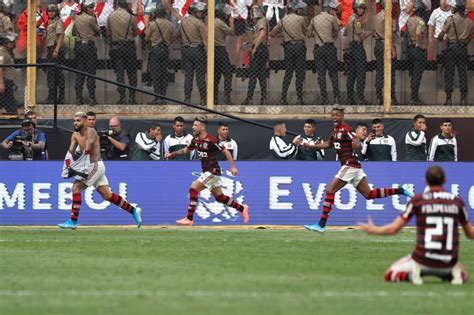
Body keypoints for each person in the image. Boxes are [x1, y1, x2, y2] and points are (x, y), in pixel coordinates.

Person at [303, 108, 413, 233]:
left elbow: (356, 141)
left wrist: (357, 144)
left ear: (342, 116)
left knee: (330, 190)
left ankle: (321, 224)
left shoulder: (346, 129)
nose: (334, 117)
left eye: (337, 115)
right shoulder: (336, 131)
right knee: (369, 194)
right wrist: (311, 146)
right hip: (355, 166)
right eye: (332, 115)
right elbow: (329, 144)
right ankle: (401, 190)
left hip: (350, 165)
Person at [359, 165, 473, 285]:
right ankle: (456, 274)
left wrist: (374, 229)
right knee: (462, 272)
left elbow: (393, 229)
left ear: (425, 181)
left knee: (390, 273)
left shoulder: (418, 200)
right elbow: (470, 234)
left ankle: (411, 274)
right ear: (445, 180)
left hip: (422, 260)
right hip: (448, 262)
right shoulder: (457, 202)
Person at [58, 112, 142, 229]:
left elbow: (87, 149)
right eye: (74, 120)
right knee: (107, 196)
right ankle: (133, 210)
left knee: (76, 188)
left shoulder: (91, 131)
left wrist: (76, 168)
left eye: (78, 120)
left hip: (95, 165)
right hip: (90, 167)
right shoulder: (74, 135)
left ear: (85, 120)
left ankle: (73, 221)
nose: (75, 123)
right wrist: (67, 165)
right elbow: (70, 152)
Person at [164, 117, 250, 226]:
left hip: (213, 172)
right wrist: (172, 154)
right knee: (220, 197)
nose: (193, 127)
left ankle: (189, 218)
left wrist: (232, 167)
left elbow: (226, 152)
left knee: (193, 189)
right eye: (193, 125)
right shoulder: (195, 140)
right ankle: (242, 208)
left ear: (202, 126)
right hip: (207, 173)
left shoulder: (212, 140)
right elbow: (185, 150)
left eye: (195, 125)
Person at [269, 1, 307, 105]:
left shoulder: (283, 20)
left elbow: (272, 34)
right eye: (299, 9)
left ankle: (283, 98)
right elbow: (306, 32)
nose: (300, 10)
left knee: (288, 73)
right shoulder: (301, 19)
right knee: (300, 73)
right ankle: (299, 99)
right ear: (296, 10)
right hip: (299, 46)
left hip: (288, 47)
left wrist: (283, 35)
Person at [437, 0, 472, 106]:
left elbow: (441, 35)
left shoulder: (450, 19)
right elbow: (470, 37)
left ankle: (448, 99)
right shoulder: (469, 22)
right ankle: (463, 98)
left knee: (449, 74)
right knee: (462, 74)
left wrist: (444, 40)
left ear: (456, 9)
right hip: (462, 49)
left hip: (451, 49)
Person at [307, 0, 341, 105]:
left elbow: (308, 33)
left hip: (318, 49)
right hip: (329, 48)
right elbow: (337, 31)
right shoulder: (331, 18)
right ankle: (336, 97)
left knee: (321, 74)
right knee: (333, 74)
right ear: (330, 9)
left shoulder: (314, 19)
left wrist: (317, 35)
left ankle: (324, 98)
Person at [107, 0, 138, 104]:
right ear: (126, 5)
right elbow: (135, 32)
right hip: (129, 47)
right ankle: (132, 97)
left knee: (119, 74)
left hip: (116, 47)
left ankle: (122, 97)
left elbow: (108, 32)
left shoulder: (111, 16)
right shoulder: (131, 17)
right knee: (132, 73)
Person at [145, 3, 175, 105]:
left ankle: (157, 97)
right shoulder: (170, 24)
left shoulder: (153, 24)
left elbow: (146, 38)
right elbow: (173, 37)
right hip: (165, 50)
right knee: (164, 74)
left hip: (156, 50)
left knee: (156, 74)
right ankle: (163, 97)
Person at [371, 0, 399, 105]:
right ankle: (392, 97)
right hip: (386, 44)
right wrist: (392, 48)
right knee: (391, 73)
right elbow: (390, 34)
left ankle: (379, 96)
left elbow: (374, 32)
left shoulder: (376, 17)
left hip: (377, 44)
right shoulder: (388, 17)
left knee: (379, 71)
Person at [179, 1, 207, 104]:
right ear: (194, 12)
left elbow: (177, 35)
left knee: (188, 77)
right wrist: (208, 53)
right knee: (200, 77)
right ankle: (203, 99)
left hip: (186, 51)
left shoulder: (183, 22)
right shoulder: (199, 23)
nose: (201, 13)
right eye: (199, 12)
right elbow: (205, 39)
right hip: (198, 50)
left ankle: (187, 99)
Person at [73, 1, 100, 105]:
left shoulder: (76, 18)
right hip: (89, 47)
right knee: (91, 73)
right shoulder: (91, 18)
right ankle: (92, 98)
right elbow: (98, 31)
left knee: (80, 72)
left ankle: (78, 98)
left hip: (79, 46)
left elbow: (73, 32)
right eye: (92, 8)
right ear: (87, 9)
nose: (93, 9)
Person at [345, 0, 371, 105]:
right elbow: (362, 36)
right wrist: (370, 32)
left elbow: (346, 32)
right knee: (361, 74)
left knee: (352, 74)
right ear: (356, 8)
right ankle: (360, 98)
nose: (362, 10)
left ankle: (350, 98)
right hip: (358, 48)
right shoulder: (356, 21)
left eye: (363, 8)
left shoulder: (350, 19)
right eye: (360, 8)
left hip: (351, 48)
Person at [243, 5, 269, 106]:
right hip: (262, 50)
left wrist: (254, 48)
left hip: (259, 50)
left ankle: (249, 98)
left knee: (253, 75)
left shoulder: (261, 21)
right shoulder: (260, 21)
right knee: (262, 75)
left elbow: (262, 35)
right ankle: (263, 98)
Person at [41, 3, 65, 104]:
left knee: (57, 74)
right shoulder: (49, 22)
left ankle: (59, 97)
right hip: (50, 49)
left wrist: (56, 50)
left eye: (53, 11)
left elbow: (60, 37)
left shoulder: (58, 21)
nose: (51, 13)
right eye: (49, 11)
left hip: (55, 49)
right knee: (50, 74)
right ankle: (52, 97)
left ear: (56, 12)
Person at [406, 1, 428, 105]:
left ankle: (413, 97)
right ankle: (414, 98)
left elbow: (405, 33)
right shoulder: (421, 21)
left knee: (413, 74)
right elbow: (418, 33)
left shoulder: (409, 20)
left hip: (410, 48)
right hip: (418, 49)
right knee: (417, 75)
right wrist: (421, 45)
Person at [214, 3, 234, 105]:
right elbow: (231, 32)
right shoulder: (220, 23)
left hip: (212, 51)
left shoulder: (209, 21)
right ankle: (227, 97)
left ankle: (214, 98)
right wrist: (231, 21)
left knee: (215, 75)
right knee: (228, 73)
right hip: (220, 50)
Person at [0, 31, 20, 115]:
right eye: (11, 42)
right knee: (12, 109)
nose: (13, 44)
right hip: (5, 81)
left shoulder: (8, 52)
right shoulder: (2, 52)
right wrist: (1, 83)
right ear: (5, 43)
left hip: (9, 81)